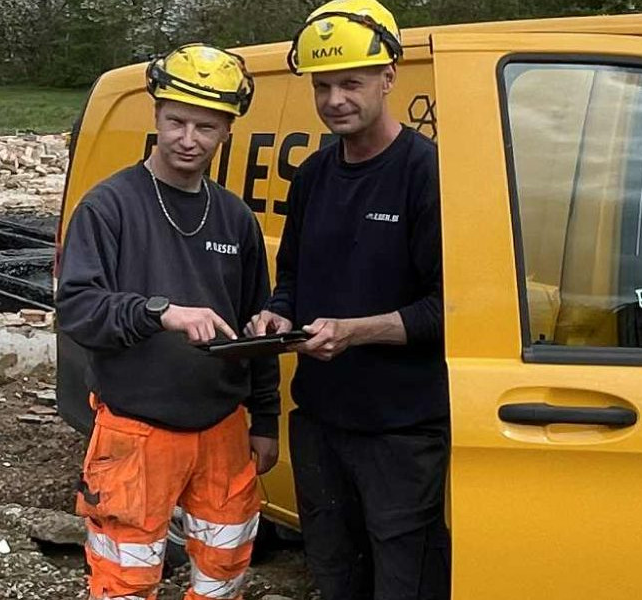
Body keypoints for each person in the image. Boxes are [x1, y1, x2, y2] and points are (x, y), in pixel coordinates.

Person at [57, 42, 280, 600]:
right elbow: (78, 309)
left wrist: (266, 418)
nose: (188, 139)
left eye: (205, 127)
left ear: (227, 129)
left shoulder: (234, 217)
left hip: (224, 428)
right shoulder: (108, 207)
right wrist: (159, 312)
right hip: (136, 429)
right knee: (125, 579)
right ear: (155, 115)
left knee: (225, 571)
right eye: (176, 121)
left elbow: (258, 326)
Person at [247, 2, 449, 598]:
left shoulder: (425, 173)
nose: (335, 99)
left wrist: (355, 331)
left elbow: (450, 309)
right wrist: (278, 311)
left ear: (389, 78)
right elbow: (291, 279)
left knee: (404, 582)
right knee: (333, 577)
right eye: (324, 85)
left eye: (351, 83)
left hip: (402, 433)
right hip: (320, 423)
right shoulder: (311, 176)